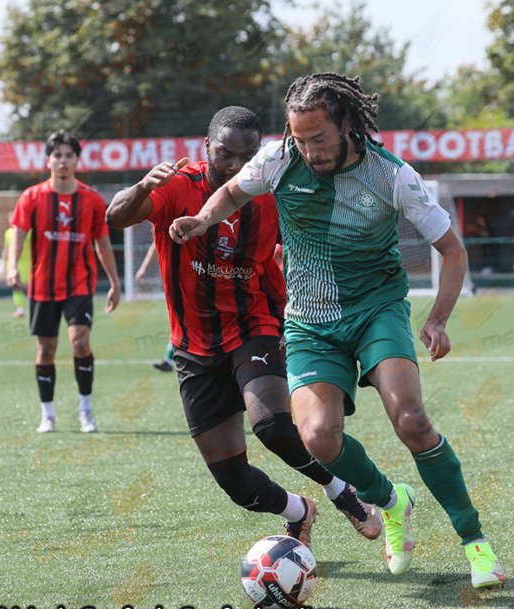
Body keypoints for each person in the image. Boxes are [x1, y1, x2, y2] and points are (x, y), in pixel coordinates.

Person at [169, 75, 504, 589]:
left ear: (347, 126)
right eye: (299, 138)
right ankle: (392, 501)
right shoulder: (280, 160)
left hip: (376, 310)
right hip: (310, 322)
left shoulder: (393, 176)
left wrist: (436, 319)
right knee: (319, 438)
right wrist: (201, 218)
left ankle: (475, 541)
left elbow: (453, 252)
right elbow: (233, 193)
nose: (309, 150)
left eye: (318, 138)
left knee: (411, 421)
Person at [106, 106, 381, 549]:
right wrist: (142, 186)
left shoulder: (271, 195)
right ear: (206, 147)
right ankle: (298, 510)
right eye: (224, 154)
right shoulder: (178, 186)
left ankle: (342, 493)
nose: (235, 164)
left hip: (254, 324)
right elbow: (115, 218)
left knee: (272, 425)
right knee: (234, 480)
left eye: (247, 154)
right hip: (193, 345)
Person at [6, 130, 122, 434]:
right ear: (48, 160)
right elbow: (18, 234)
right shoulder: (32, 197)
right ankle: (48, 414)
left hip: (80, 285)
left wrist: (115, 282)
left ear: (76, 159)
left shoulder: (92, 199)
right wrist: (12, 267)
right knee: (46, 349)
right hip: (43, 285)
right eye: (57, 155)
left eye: (69, 155)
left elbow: (103, 244)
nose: (63, 160)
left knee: (80, 342)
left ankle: (86, 409)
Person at [133, 243, 176, 371]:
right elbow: (156, 243)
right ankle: (169, 359)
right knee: (180, 321)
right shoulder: (165, 225)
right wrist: (144, 268)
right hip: (177, 277)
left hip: (196, 275)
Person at [0, 212, 31, 318]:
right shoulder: (8, 233)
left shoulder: (29, 231)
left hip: (27, 262)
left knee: (29, 286)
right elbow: (7, 249)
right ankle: (20, 310)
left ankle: (36, 308)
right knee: (16, 286)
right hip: (14, 263)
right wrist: (1, 262)